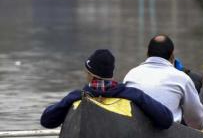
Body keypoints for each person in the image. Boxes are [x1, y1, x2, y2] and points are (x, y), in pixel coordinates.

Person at [41, 49, 173, 129]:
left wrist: (67, 101)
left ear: (90, 75)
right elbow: (166, 120)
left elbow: (46, 121)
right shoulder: (133, 95)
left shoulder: (75, 97)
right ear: (111, 74)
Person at [124, 35, 203, 130]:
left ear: (147, 53)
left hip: (134, 133)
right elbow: (196, 119)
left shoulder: (131, 74)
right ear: (172, 55)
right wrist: (201, 129)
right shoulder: (182, 78)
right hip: (169, 137)